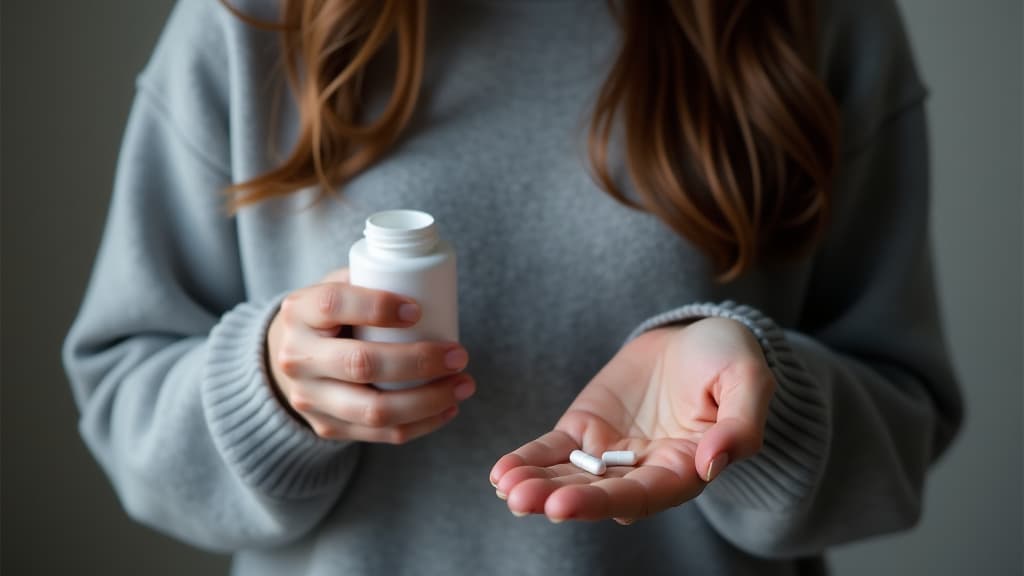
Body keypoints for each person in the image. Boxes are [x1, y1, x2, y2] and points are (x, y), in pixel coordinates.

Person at [64, 0, 963, 574]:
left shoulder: (820, 21)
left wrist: (761, 412)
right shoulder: (253, 20)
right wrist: (270, 390)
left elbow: (902, 424)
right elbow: (120, 400)